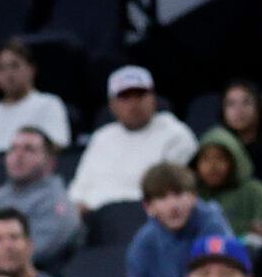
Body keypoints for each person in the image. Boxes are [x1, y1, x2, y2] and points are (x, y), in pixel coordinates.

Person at [69, 66, 198, 213]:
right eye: (125, 97)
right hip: (94, 216)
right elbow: (78, 190)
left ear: (153, 98)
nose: (134, 103)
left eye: (140, 94)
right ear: (112, 105)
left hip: (143, 214)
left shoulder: (176, 134)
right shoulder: (102, 136)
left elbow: (172, 194)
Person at [124, 159, 235, 277]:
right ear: (148, 207)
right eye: (162, 197)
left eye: (178, 194)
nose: (173, 206)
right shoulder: (144, 244)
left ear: (193, 197)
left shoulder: (213, 226)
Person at [0, 133, 84, 265]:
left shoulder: (57, 202)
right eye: (13, 149)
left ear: (50, 162)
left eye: (29, 149)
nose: (18, 156)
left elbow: (30, 254)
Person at [0, 40, 74, 165]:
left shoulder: (48, 104)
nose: (9, 74)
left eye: (15, 65)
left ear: (31, 69)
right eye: (1, 68)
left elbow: (58, 146)